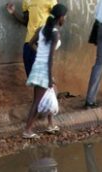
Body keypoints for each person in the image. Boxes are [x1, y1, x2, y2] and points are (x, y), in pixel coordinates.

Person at [22, 4, 68, 139]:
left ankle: (50, 124)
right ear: (60, 18)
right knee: (37, 102)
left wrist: (40, 53)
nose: (65, 19)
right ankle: (27, 130)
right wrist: (48, 78)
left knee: (50, 94)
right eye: (65, 17)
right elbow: (50, 59)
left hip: (39, 66)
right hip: (44, 70)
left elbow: (30, 44)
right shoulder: (55, 34)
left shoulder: (42, 29)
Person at [5, 0, 57, 77]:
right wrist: (13, 12)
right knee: (32, 78)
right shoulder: (26, 1)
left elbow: (57, 18)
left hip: (42, 42)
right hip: (29, 42)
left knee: (43, 77)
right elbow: (26, 21)